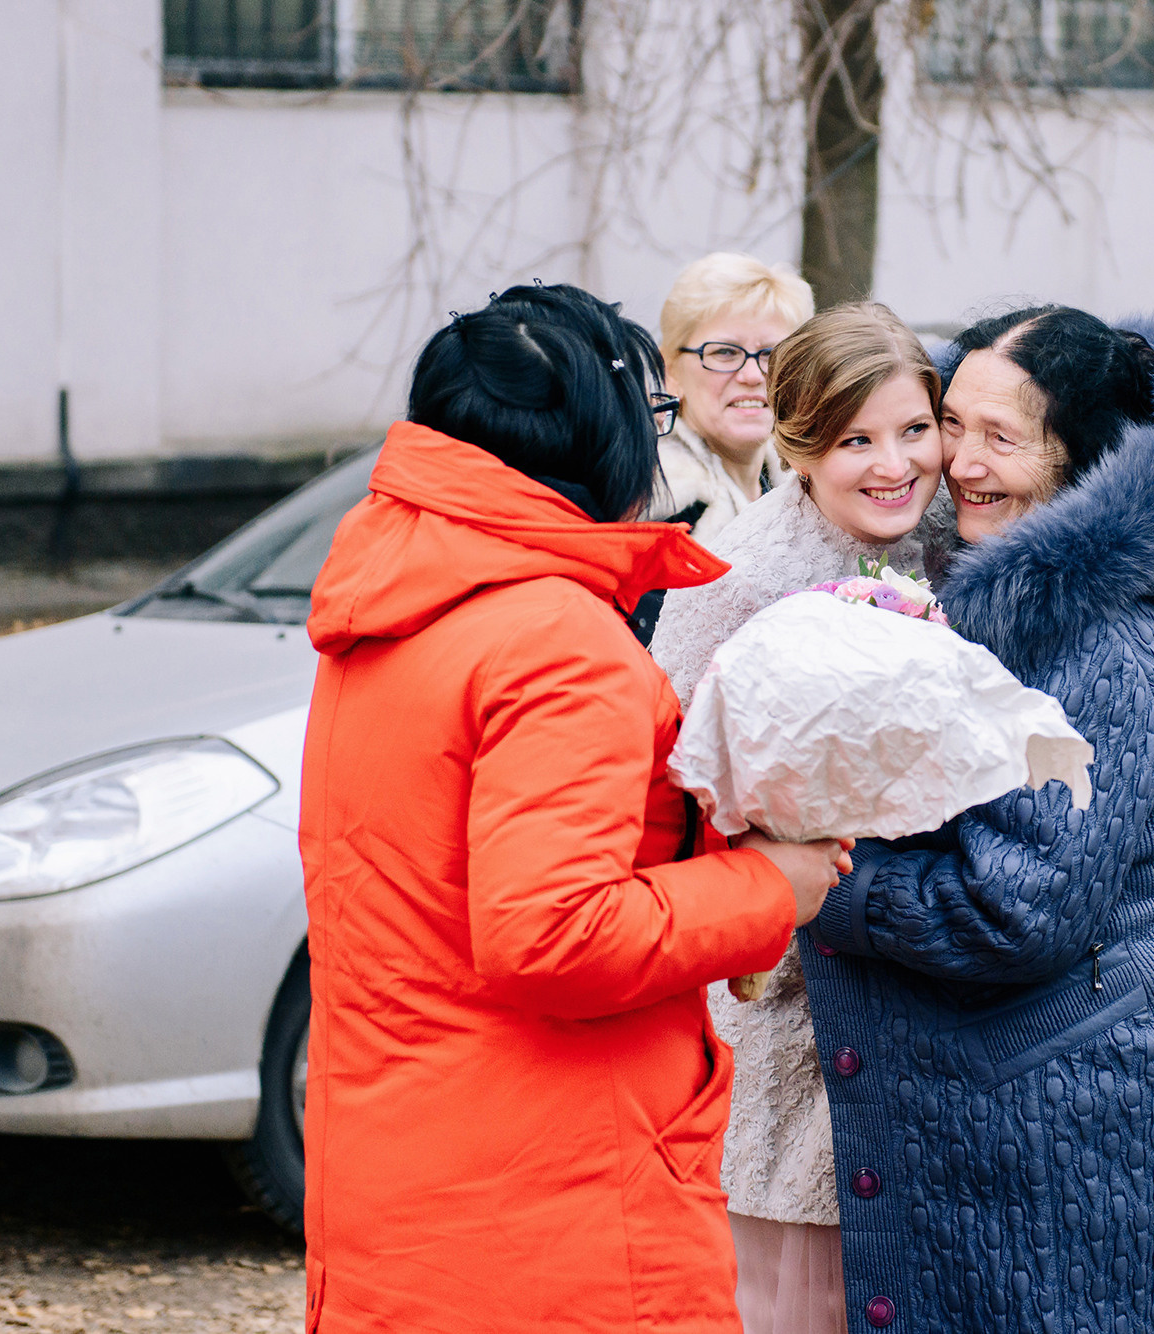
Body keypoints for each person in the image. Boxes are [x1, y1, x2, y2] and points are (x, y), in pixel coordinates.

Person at [298, 283, 853, 1333]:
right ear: (594, 432)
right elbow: (551, 933)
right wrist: (774, 881)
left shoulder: (394, 603)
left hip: (406, 1176)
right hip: (556, 1205)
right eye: (650, 412)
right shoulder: (552, 637)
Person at [803, 306, 1154, 1332]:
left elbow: (1017, 908)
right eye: (950, 422)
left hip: (1060, 1107)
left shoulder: (1092, 634)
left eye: (1001, 439)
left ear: (1082, 465)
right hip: (1049, 1072)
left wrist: (826, 878)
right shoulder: (1013, 588)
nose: (957, 461)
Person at [648, 302, 953, 1334]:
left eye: (913, 430)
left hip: (925, 960)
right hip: (783, 984)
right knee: (798, 1278)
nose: (892, 464)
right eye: (854, 439)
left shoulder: (947, 540)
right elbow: (670, 781)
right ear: (796, 443)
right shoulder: (738, 578)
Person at [629, 253, 815, 644]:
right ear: (671, 372)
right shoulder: (654, 508)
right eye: (724, 353)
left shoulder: (808, 490)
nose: (751, 375)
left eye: (771, 354)